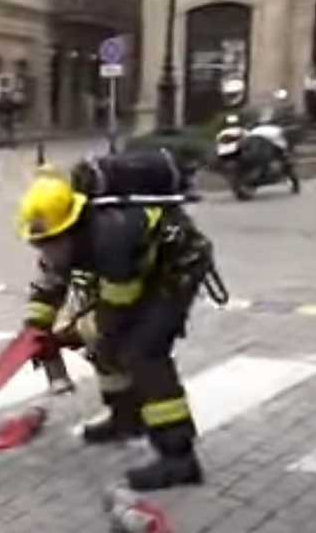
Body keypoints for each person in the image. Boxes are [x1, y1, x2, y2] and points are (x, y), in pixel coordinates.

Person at [15, 167, 214, 490]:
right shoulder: (58, 240)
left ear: (71, 227)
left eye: (51, 242)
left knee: (142, 351)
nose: (45, 250)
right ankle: (125, 420)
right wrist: (35, 329)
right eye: (39, 243)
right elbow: (48, 286)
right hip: (134, 276)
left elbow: (114, 315)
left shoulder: (113, 239)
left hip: (175, 270)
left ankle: (179, 457)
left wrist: (69, 335)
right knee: (103, 347)